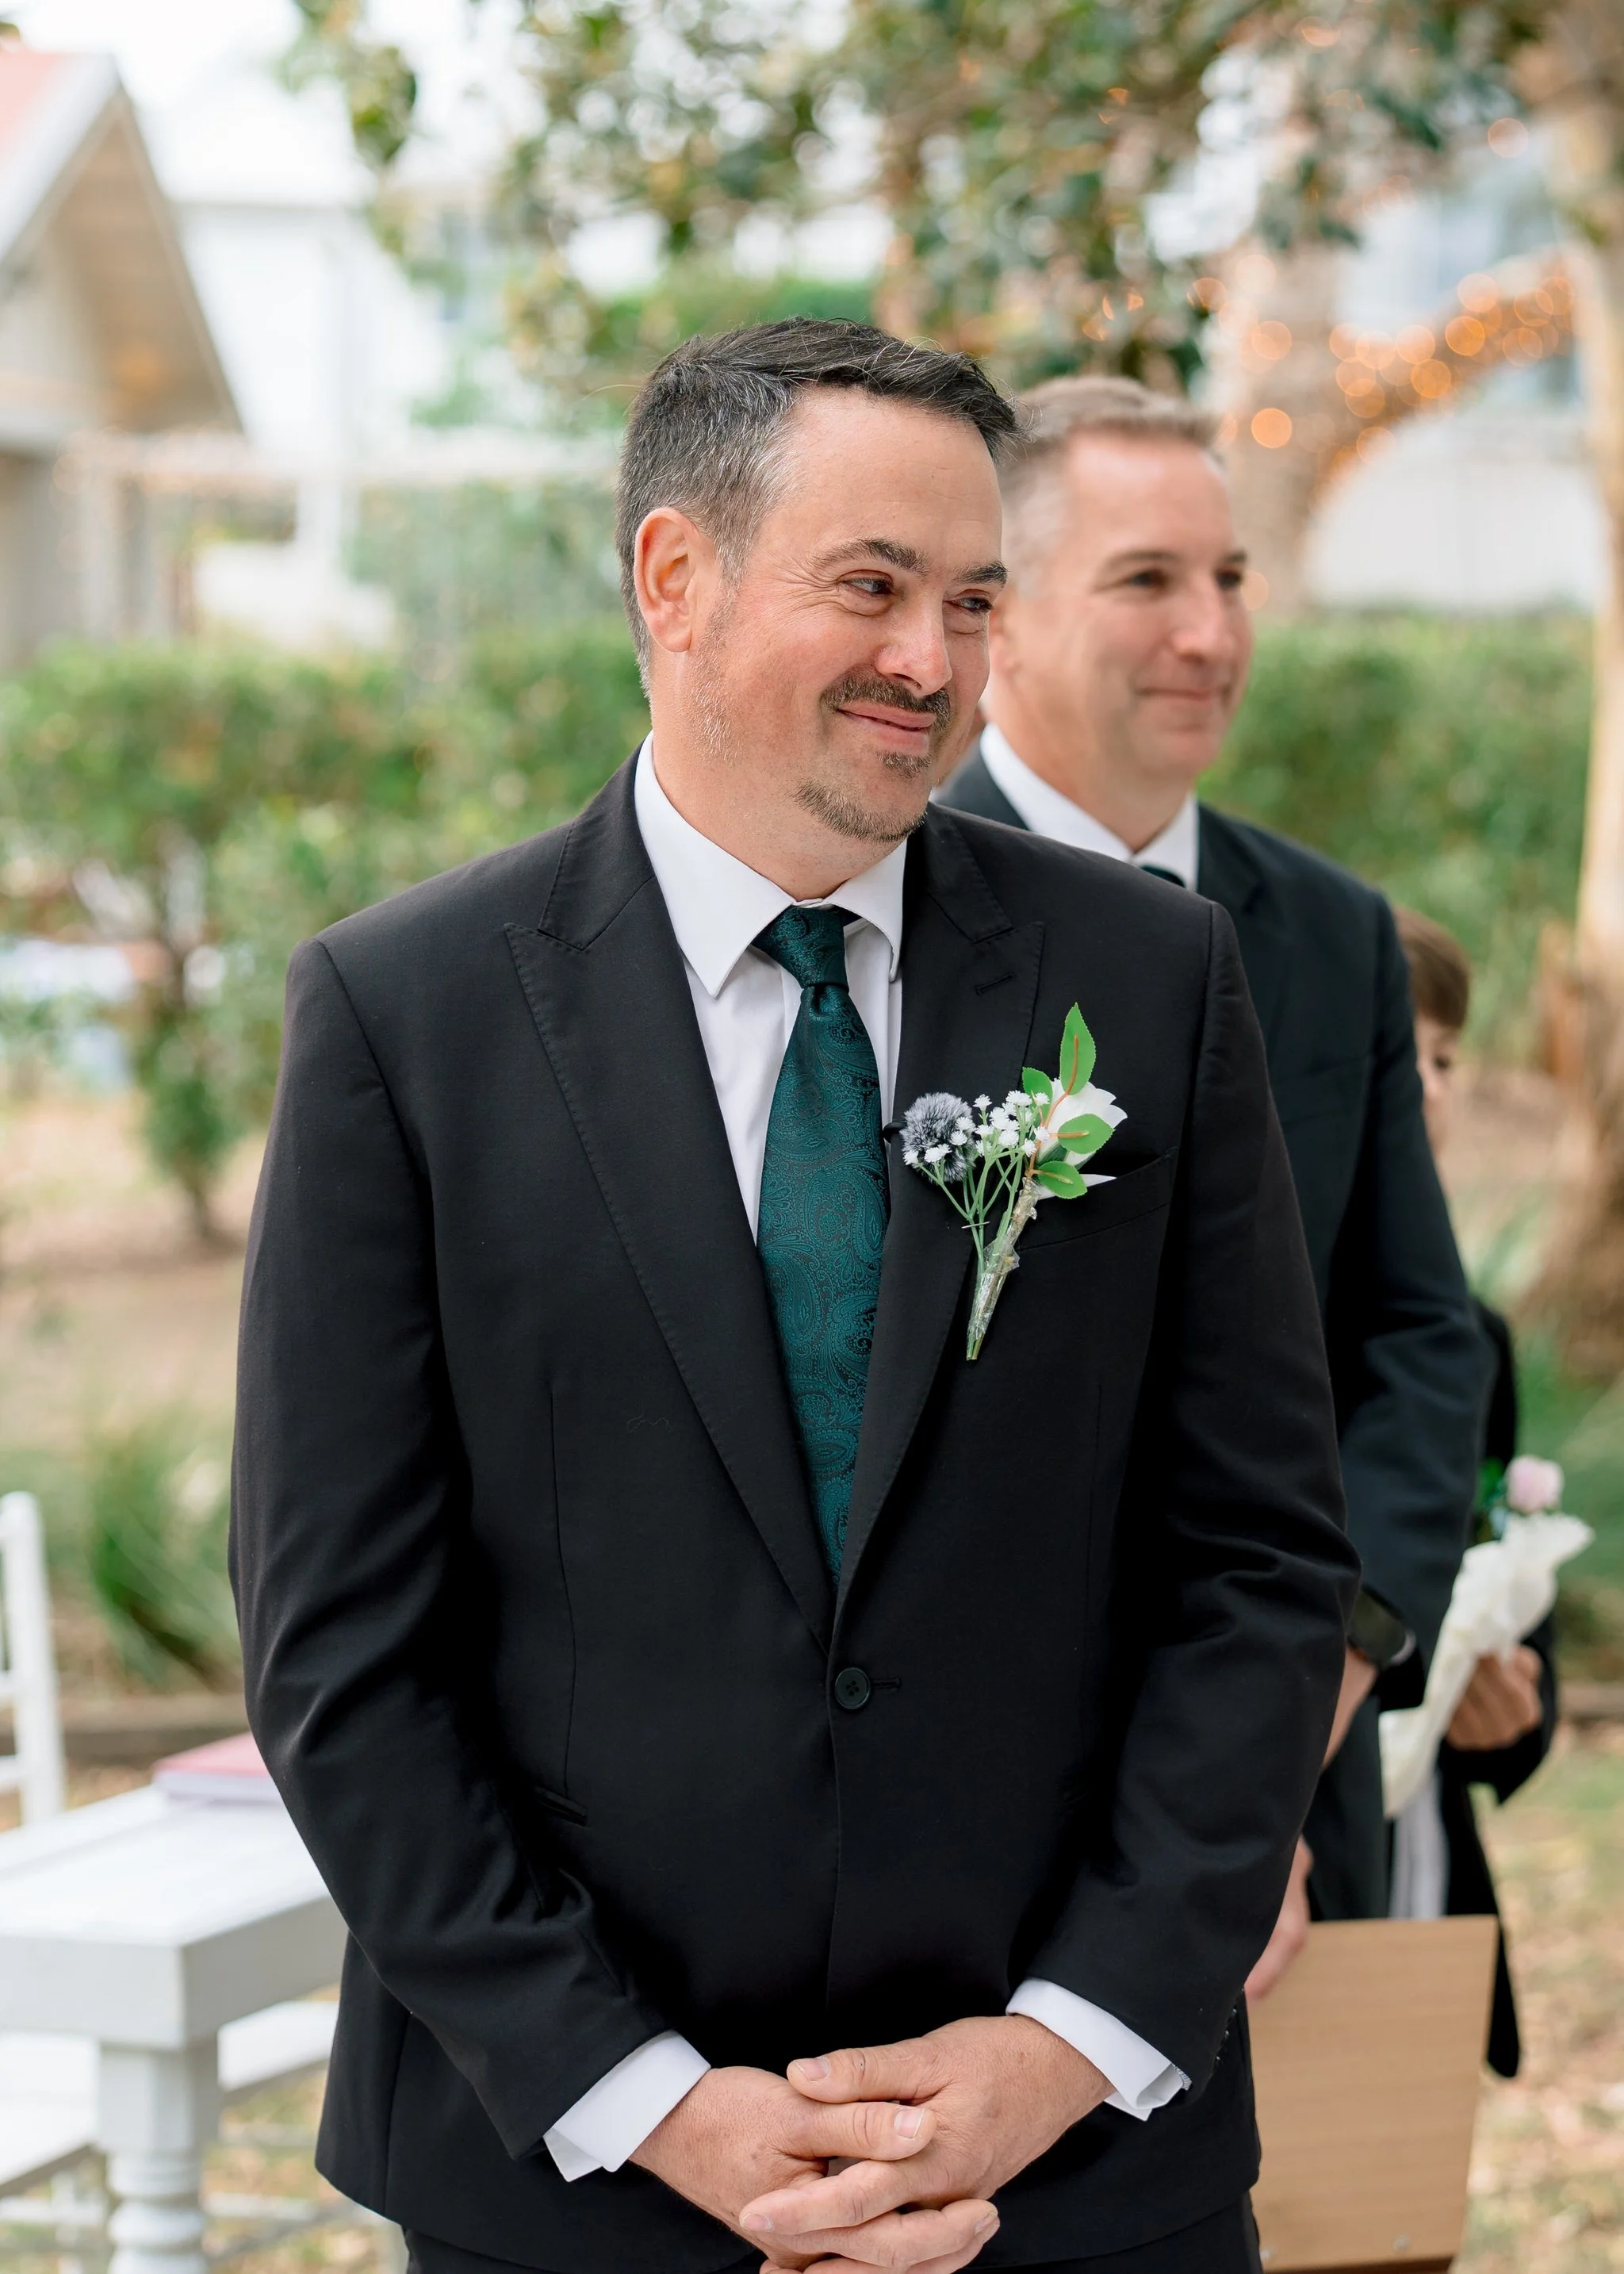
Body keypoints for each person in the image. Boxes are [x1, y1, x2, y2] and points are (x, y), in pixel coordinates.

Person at [232, 320, 1356, 2274]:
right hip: (573, 2184)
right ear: (674, 576)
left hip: (1072, 2181)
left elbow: (1257, 1553)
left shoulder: (1155, 984)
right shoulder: (404, 1018)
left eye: (972, 599)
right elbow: (343, 1651)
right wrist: (647, 2098)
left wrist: (1064, 2044)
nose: (932, 661)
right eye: (871, 586)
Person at [938, 376, 1485, 1955]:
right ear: (1005, 618)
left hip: (1297, 1789)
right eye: (1146, 580)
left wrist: (1267, 1754)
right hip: (981, 1822)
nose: (1211, 631)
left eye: (1228, 578)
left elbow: (1413, 1337)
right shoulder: (876, 924)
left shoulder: (1327, 934)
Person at [1392, 905, 1557, 2078]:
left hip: (1417, 1882)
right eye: (1394, 1050)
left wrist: (1511, 1708)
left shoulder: (1474, 1344)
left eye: (1446, 1055)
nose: (1430, 1087)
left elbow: (1499, 1597)